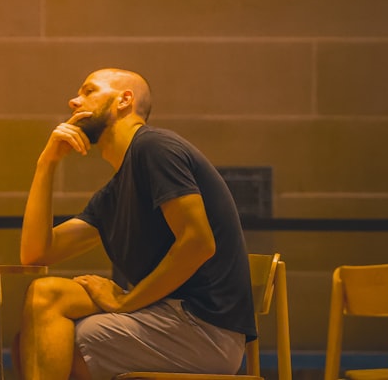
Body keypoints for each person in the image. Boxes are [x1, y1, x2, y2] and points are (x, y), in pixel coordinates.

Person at [17, 69, 255, 380]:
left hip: (205, 330)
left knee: (50, 344)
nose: (74, 101)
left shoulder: (154, 148)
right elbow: (36, 253)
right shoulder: (116, 189)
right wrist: (46, 164)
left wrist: (127, 301)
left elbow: (198, 243)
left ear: (124, 100)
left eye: (88, 91)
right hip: (169, 318)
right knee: (44, 300)